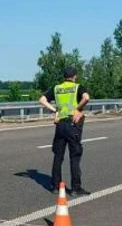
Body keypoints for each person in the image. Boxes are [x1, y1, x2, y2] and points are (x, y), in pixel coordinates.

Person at [38, 67, 91, 196]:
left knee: (58, 156)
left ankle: (55, 186)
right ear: (75, 76)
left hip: (60, 125)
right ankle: (75, 188)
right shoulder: (77, 87)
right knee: (74, 156)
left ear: (64, 77)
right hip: (73, 124)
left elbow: (42, 100)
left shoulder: (57, 88)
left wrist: (55, 110)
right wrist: (76, 109)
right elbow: (86, 97)